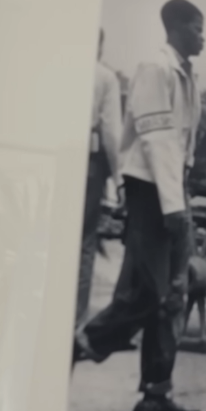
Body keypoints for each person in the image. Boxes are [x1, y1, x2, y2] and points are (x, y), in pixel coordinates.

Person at [75, 0, 205, 411]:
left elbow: (180, 144)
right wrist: (173, 206)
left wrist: (178, 195)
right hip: (152, 190)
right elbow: (157, 141)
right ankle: (82, 345)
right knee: (152, 295)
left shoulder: (187, 74)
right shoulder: (156, 68)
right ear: (177, 27)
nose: (203, 37)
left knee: (168, 294)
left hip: (169, 187)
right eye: (197, 28)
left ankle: (154, 398)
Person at [74, 30, 123, 330]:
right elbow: (111, 133)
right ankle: (76, 317)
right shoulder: (104, 78)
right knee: (84, 242)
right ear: (100, 45)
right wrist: (119, 179)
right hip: (89, 166)